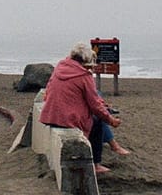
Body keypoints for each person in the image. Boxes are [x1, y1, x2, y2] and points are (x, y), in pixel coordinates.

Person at [40, 42, 122, 174]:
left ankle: (111, 147)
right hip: (68, 119)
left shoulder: (60, 67)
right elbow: (95, 105)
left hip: (51, 116)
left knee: (96, 115)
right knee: (97, 122)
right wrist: (111, 120)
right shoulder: (84, 75)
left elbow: (48, 90)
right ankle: (96, 164)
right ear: (85, 61)